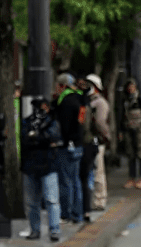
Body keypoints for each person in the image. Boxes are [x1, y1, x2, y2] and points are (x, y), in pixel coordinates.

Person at [20, 97, 63, 242]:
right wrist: (40, 139)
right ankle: (35, 229)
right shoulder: (27, 122)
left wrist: (36, 137)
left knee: (51, 199)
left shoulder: (52, 121)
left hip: (48, 164)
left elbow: (53, 136)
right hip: (32, 165)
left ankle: (54, 229)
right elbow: (25, 138)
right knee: (32, 202)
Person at [54, 73, 86, 224]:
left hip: (67, 146)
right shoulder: (80, 99)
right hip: (79, 144)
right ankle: (77, 213)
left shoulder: (65, 102)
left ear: (62, 86)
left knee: (65, 181)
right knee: (76, 180)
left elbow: (64, 127)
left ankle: (66, 213)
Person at [84, 74, 112, 212]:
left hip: (97, 141)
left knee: (98, 171)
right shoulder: (89, 101)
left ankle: (100, 200)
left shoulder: (100, 102)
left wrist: (106, 136)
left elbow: (101, 123)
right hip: (90, 141)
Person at [119, 78, 141, 189]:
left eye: (132, 87)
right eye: (129, 87)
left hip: (139, 129)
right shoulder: (125, 101)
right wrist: (121, 130)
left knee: (140, 153)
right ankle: (132, 178)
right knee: (131, 154)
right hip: (128, 129)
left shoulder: (139, 99)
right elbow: (121, 116)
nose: (130, 89)